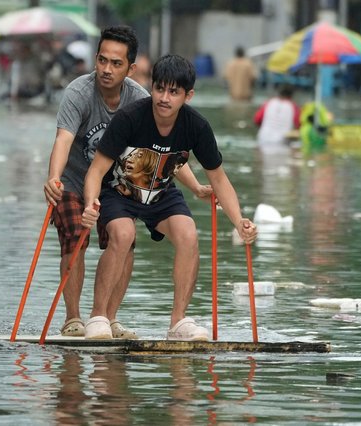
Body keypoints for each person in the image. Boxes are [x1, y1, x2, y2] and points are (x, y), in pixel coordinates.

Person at [43, 27, 210, 339]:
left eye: (116, 63)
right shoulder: (78, 93)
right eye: (102, 60)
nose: (106, 69)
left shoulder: (140, 99)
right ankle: (74, 318)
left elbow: (164, 154)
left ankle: (109, 318)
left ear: (131, 68)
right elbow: (63, 140)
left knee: (125, 238)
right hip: (77, 178)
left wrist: (196, 186)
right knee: (75, 233)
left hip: (119, 183)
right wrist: (53, 177)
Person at [80, 54, 258, 341]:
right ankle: (98, 316)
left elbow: (219, 179)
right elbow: (96, 170)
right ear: (152, 87)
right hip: (120, 191)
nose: (164, 98)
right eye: (159, 89)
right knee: (123, 234)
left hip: (162, 193)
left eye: (173, 92)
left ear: (188, 95)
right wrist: (90, 204)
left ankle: (178, 322)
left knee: (188, 234)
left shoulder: (196, 127)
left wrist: (239, 222)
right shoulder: (130, 118)